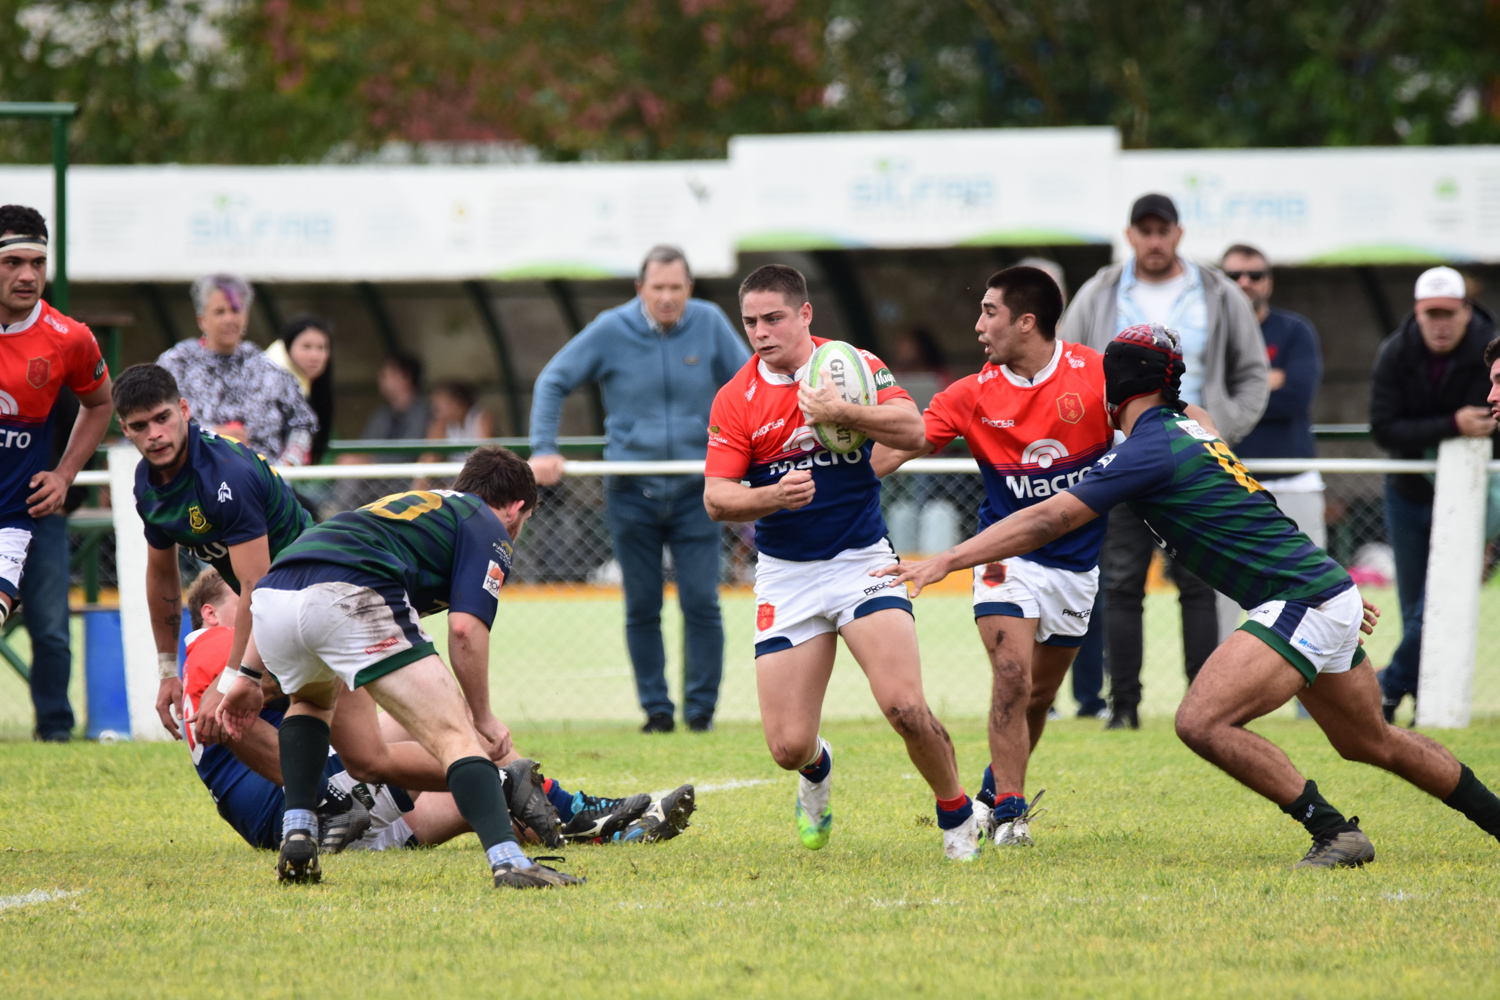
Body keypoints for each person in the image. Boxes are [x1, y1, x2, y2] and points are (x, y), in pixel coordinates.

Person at [878, 324, 1500, 868]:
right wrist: (1332, 584)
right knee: (1371, 741)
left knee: (1201, 721)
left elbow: (1047, 521)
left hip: (1299, 600)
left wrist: (949, 560)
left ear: (1116, 388)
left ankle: (1332, 830)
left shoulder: (1149, 449)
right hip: (1315, 593)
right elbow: (1257, 509)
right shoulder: (1186, 430)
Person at [703, 263, 977, 861]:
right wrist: (772, 497)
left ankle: (957, 815)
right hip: (786, 574)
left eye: (773, 318)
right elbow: (717, 497)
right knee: (787, 747)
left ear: (805, 315)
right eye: (750, 321)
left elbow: (914, 428)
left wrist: (842, 413)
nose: (761, 332)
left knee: (905, 707)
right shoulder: (737, 398)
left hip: (862, 562)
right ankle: (817, 770)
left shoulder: (852, 367)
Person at [214, 447, 584, 889]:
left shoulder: (421, 508)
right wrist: (482, 717)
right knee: (456, 735)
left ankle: (299, 834)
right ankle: (509, 862)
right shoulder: (487, 523)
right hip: (348, 590)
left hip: (273, 599)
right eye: (522, 524)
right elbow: (465, 630)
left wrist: (247, 676)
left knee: (311, 702)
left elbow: (294, 580)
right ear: (517, 509)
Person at [182, 569, 695, 851]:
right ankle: (582, 807)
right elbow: (234, 711)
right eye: (245, 595)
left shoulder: (219, 653)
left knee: (478, 798)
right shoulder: (213, 642)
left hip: (314, 818)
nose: (262, 601)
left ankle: (611, 831)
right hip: (306, 807)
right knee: (460, 737)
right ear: (210, 611)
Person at [873, 266, 1114, 847]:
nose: (978, 325)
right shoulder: (971, 393)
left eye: (989, 312)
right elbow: (897, 451)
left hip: (1077, 569)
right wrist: (836, 470)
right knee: (1011, 676)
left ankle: (990, 790)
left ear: (1025, 322)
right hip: (1005, 557)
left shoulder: (1098, 375)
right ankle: (1010, 814)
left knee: (1036, 698)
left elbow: (1170, 418)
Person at [1059, 193, 1269, 729]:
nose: (1154, 240)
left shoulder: (1219, 292)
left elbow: (1252, 374)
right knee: (1122, 582)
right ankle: (1122, 707)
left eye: (1163, 230)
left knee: (1200, 581)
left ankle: (1208, 705)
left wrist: (1219, 429)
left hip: (1196, 457)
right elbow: (1070, 366)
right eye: (1144, 231)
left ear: (1178, 234)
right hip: (1123, 456)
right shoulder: (1099, 291)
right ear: (1130, 235)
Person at [529, 245, 750, 734]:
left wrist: (753, 452)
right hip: (631, 492)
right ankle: (656, 712)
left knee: (702, 602)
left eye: (676, 288)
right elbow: (553, 380)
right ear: (640, 289)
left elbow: (750, 383)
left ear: (689, 289)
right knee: (642, 604)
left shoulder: (711, 323)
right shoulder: (611, 328)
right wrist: (544, 447)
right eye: (658, 288)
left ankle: (700, 713)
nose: (667, 297)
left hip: (699, 490)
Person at [114, 363, 312, 740]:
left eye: (163, 418)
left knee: (226, 702)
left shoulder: (226, 474)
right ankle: (312, 796)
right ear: (125, 430)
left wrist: (233, 677)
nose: (155, 435)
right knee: (220, 709)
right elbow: (161, 573)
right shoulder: (147, 485)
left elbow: (259, 584)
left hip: (316, 594)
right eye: (140, 426)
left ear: (184, 410)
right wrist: (167, 669)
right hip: (277, 608)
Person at [0, 205, 114, 740]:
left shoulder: (68, 338)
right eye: (13, 262)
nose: (27, 275)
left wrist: (65, 475)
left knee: (49, 630)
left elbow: (101, 404)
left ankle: (55, 732)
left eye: (38, 262)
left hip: (30, 512)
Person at [1370, 267, 1499, 722]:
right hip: (1408, 493)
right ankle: (1422, 695)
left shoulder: (1491, 350)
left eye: (1448, 313)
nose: (1440, 323)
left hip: (1471, 494)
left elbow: (1490, 420)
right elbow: (1383, 427)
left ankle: (1386, 688)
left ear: (1466, 310)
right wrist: (1452, 425)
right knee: (1415, 607)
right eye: (1431, 314)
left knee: (1434, 603)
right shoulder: (1396, 351)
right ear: (1418, 314)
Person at [156, 275, 318, 466]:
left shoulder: (267, 367)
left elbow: (303, 422)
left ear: (246, 317)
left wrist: (287, 465)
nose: (229, 319)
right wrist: (209, 435)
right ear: (202, 320)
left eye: (235, 310)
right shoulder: (176, 364)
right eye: (219, 311)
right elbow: (155, 422)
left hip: (263, 485)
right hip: (196, 481)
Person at [266, 315, 335, 465]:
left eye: (321, 348)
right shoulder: (267, 381)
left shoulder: (308, 388)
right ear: (287, 348)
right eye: (307, 347)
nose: (315, 356)